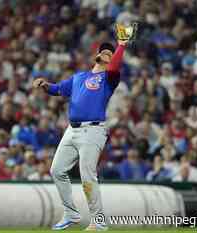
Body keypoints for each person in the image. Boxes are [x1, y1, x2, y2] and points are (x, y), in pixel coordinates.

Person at [32, 29, 131, 230]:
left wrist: (121, 45)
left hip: (93, 130)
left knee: (87, 175)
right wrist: (44, 84)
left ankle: (99, 222)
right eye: (103, 50)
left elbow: (114, 68)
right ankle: (71, 213)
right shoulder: (78, 77)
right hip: (72, 130)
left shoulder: (109, 78)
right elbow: (58, 89)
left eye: (109, 53)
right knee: (57, 170)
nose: (105, 53)